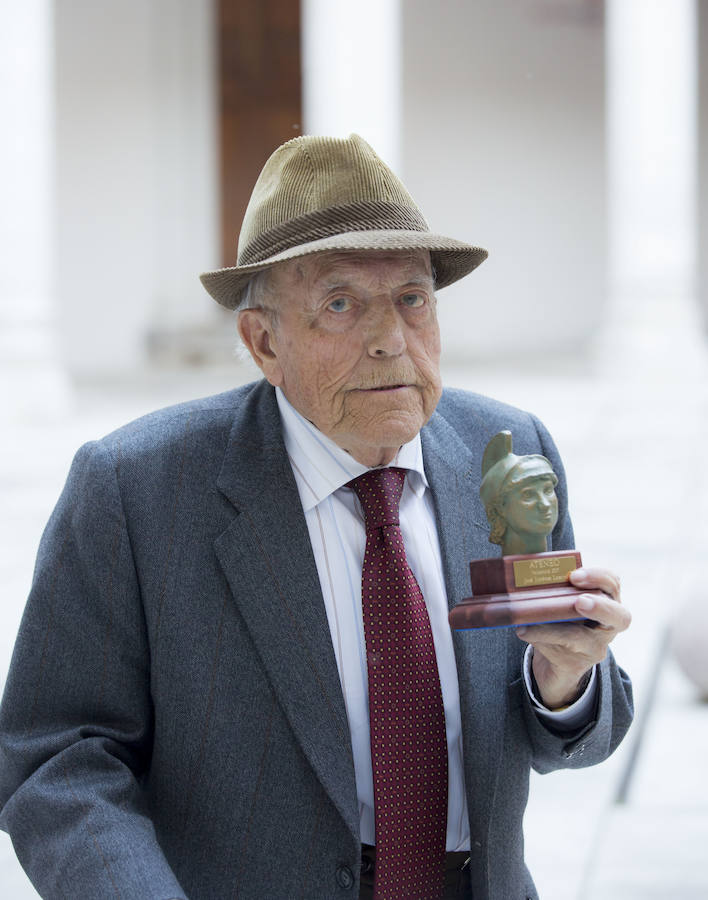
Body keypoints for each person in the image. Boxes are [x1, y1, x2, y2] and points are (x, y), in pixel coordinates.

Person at [0, 134, 633, 900]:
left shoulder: (506, 454)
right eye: (341, 305)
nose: (390, 341)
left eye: (413, 299)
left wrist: (564, 680)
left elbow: (571, 737)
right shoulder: (137, 490)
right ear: (263, 341)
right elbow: (57, 756)